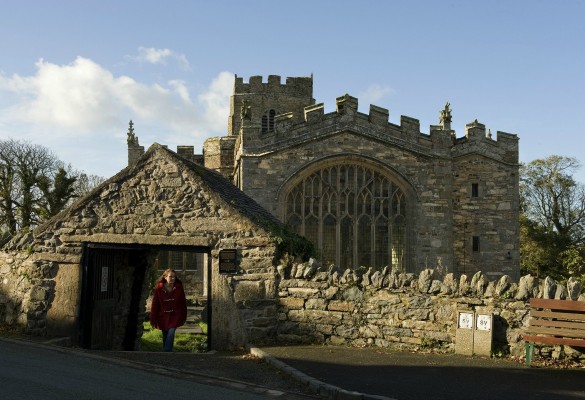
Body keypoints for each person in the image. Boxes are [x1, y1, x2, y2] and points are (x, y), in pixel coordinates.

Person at [149, 268, 187, 352]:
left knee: (171, 332)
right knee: (165, 334)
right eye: (170, 277)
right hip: (162, 316)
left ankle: (167, 351)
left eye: (174, 277)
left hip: (175, 315)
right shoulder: (159, 288)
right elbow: (155, 304)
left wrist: (183, 316)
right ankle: (165, 353)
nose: (173, 278)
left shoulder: (178, 288)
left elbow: (183, 302)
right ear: (165, 277)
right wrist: (153, 319)